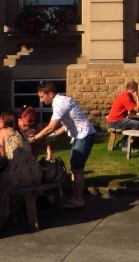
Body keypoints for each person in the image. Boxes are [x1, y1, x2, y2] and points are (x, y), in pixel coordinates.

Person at [31, 81, 96, 210]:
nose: (41, 100)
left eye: (42, 96)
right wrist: (55, 135)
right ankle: (76, 197)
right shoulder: (61, 101)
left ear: (50, 94)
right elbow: (68, 123)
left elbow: (50, 127)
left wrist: (33, 139)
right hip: (79, 135)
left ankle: (79, 200)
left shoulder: (59, 103)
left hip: (84, 135)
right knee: (75, 167)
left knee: (77, 168)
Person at [0, 110, 43, 224]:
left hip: (20, 175)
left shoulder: (3, 131)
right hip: (35, 172)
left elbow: (2, 155)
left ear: (5, 121)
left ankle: (0, 216)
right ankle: (13, 213)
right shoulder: (22, 132)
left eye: (1, 119)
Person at [107, 81, 139, 148]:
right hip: (115, 121)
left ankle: (123, 143)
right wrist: (137, 97)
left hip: (117, 120)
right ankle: (126, 145)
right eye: (136, 89)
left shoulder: (127, 95)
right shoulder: (125, 97)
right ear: (132, 89)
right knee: (138, 124)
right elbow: (137, 109)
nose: (136, 91)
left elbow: (133, 109)